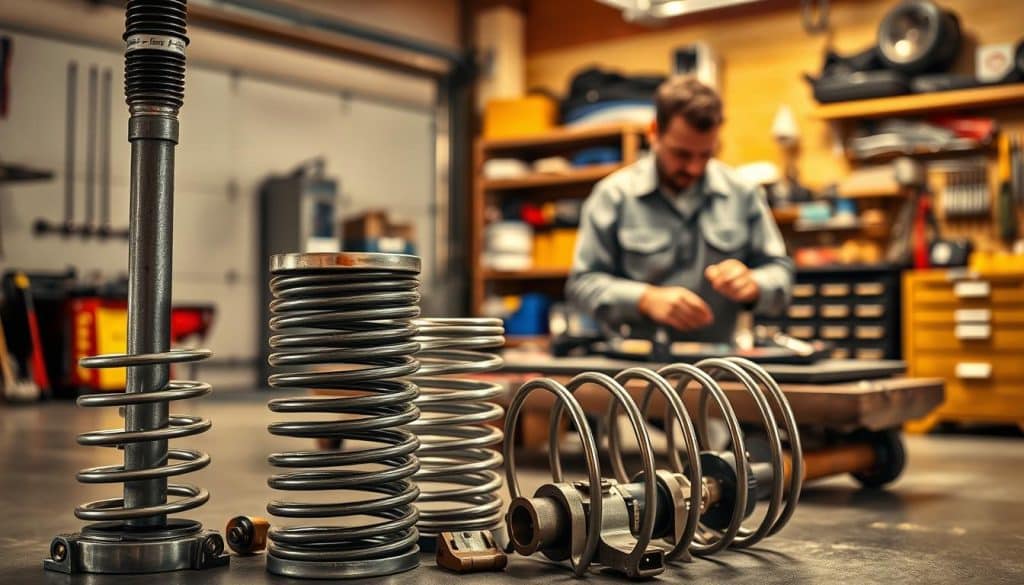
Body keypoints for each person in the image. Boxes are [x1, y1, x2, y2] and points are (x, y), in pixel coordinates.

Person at [566, 75, 793, 344]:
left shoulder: (742, 193)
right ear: (654, 133)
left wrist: (754, 283)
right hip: (634, 371)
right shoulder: (613, 196)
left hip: (719, 367)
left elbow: (781, 274)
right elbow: (582, 285)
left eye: (706, 155)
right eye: (682, 154)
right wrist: (644, 299)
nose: (694, 168)